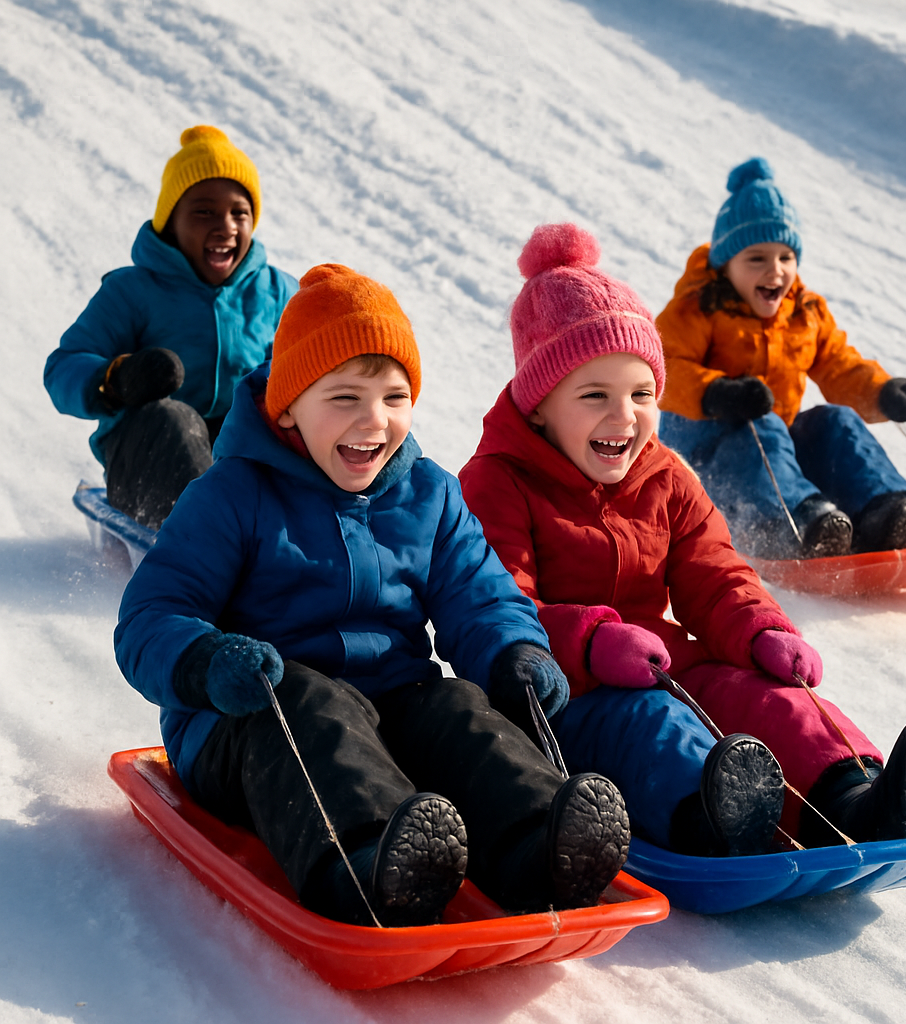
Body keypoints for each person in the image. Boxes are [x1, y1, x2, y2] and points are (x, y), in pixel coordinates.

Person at [114, 263, 631, 927]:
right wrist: (209, 661)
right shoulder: (232, 495)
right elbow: (151, 615)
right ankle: (368, 865)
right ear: (290, 404)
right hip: (250, 728)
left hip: (386, 712)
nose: (373, 422)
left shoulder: (430, 495)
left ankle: (540, 846)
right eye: (345, 398)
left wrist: (514, 651)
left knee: (453, 705)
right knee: (312, 700)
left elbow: (481, 596)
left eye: (393, 397)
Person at [459, 223, 906, 853]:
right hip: (564, 700)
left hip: (662, 663)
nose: (624, 416)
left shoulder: (664, 474)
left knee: (763, 695)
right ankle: (718, 817)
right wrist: (589, 643)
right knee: (656, 723)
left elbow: (714, 571)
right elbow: (498, 606)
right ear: (538, 406)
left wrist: (761, 630)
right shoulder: (496, 483)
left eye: (642, 394)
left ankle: (857, 796)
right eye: (595, 396)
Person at [655, 157, 906, 559]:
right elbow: (662, 368)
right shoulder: (698, 307)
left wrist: (883, 392)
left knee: (834, 421)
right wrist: (717, 392)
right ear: (727, 265)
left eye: (785, 258)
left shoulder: (804, 312)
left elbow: (839, 365)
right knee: (766, 426)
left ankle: (885, 509)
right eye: (756, 258)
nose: (774, 270)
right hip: (711, 462)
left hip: (777, 457)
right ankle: (799, 523)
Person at [45, 126, 298, 529]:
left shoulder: (278, 293)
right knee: (174, 421)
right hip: (149, 462)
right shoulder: (133, 291)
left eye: (240, 212)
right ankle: (203, 542)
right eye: (204, 212)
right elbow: (62, 368)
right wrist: (115, 379)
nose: (226, 225)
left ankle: (303, 540)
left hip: (240, 463)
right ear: (170, 222)